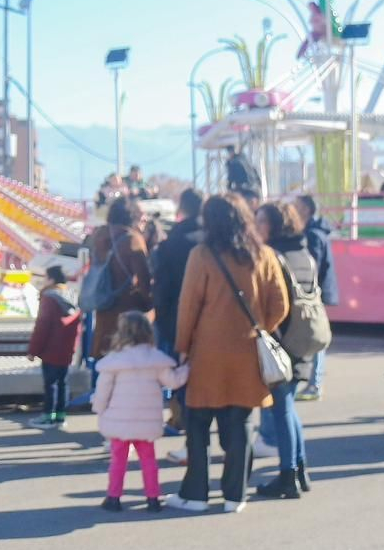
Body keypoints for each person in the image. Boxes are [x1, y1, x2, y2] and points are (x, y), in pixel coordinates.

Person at [170, 194, 289, 514]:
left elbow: (188, 307)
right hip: (248, 353)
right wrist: (259, 328)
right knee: (241, 426)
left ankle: (195, 493)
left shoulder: (202, 255)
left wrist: (182, 347)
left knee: (197, 425)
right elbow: (281, 305)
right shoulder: (263, 254)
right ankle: (235, 495)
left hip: (207, 352)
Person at [253, 201, 324, 499]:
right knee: (289, 407)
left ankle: (288, 475)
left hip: (283, 341)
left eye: (261, 222)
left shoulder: (273, 256)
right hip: (305, 338)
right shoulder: (305, 254)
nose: (257, 228)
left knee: (282, 407)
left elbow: (273, 304)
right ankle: (299, 469)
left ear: (274, 225)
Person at [92, 312, 188, 513]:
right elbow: (173, 381)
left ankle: (114, 497)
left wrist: (99, 409)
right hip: (146, 422)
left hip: (119, 421)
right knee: (149, 461)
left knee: (118, 460)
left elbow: (102, 392)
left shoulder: (114, 362)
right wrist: (188, 367)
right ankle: (153, 498)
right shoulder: (156, 360)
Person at [153, 188, 203, 457]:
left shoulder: (175, 239)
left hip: (177, 317)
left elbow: (163, 284)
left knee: (180, 375)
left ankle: (181, 421)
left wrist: (161, 317)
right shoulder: (216, 236)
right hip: (211, 322)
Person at [86, 197, 154, 355]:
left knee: (103, 370)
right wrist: (150, 304)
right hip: (128, 321)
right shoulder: (132, 239)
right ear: (131, 215)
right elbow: (144, 281)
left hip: (103, 313)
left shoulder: (98, 236)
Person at [294, 194, 340, 402]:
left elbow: (312, 266)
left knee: (314, 336)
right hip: (318, 291)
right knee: (314, 335)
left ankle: (314, 383)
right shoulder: (317, 231)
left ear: (306, 210)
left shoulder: (312, 235)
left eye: (297, 206)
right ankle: (313, 381)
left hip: (314, 293)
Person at [26, 265, 81, 430]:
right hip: (67, 347)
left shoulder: (49, 298)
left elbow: (42, 326)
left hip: (51, 348)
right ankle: (60, 416)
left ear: (51, 279)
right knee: (63, 382)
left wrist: (33, 350)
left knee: (50, 384)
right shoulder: (72, 295)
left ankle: (47, 416)